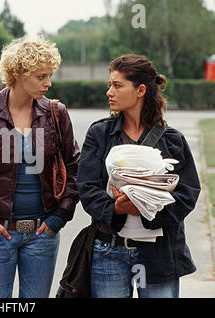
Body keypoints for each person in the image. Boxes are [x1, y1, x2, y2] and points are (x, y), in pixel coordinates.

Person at [0, 36, 80, 298]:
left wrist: (60, 216)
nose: (49, 83)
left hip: (43, 233)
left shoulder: (56, 113)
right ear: (19, 74)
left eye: (49, 75)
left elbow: (75, 167)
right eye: (41, 76)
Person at [77, 54, 201, 298]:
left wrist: (146, 208)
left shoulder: (173, 140)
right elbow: (86, 187)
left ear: (140, 90)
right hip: (108, 250)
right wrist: (117, 209)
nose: (109, 92)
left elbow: (188, 193)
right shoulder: (98, 134)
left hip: (160, 253)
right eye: (109, 85)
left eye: (117, 85)